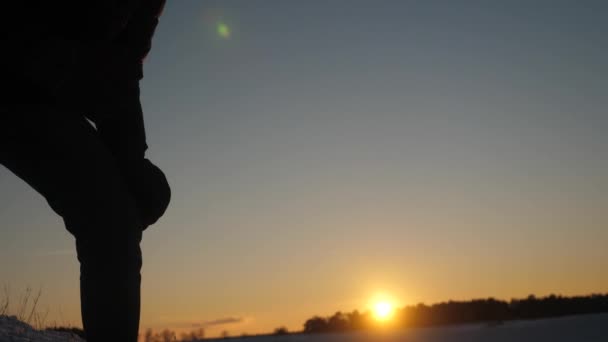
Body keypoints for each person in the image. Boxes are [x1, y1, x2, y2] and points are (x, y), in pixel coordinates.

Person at [0, 1, 171, 341]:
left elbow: (122, 73)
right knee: (109, 215)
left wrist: (132, 163)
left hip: (46, 92)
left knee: (123, 212)